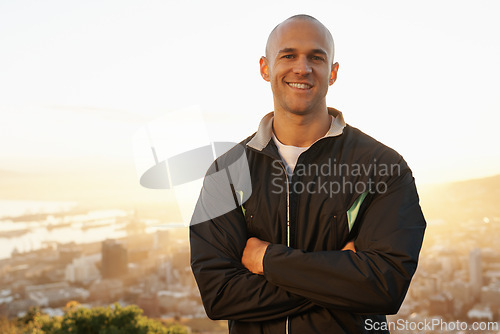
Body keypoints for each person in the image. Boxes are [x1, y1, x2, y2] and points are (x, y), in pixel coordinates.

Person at [190, 14, 426, 334]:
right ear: (264, 67)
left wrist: (267, 261)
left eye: (316, 57)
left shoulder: (383, 166)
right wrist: (338, 277)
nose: (302, 68)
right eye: (288, 55)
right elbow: (219, 294)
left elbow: (385, 285)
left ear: (333, 72)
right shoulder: (226, 173)